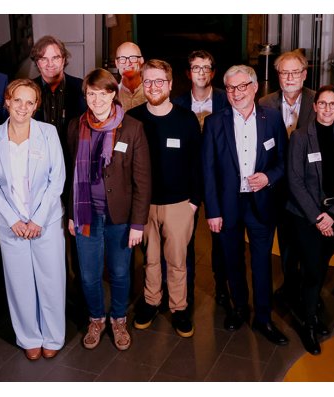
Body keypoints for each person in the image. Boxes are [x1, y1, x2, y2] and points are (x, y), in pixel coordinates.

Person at [202, 65, 289, 346]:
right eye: (230, 88)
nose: (236, 93)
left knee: (262, 263)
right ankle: (239, 308)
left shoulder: (273, 119)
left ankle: (263, 317)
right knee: (233, 260)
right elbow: (208, 170)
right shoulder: (215, 122)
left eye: (242, 87)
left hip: (261, 203)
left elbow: (283, 162)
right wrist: (212, 211)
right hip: (228, 205)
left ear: (254, 88)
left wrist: (268, 177)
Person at [66, 68, 151, 351]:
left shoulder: (132, 127)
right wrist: (70, 214)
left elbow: (142, 180)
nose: (97, 100)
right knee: (88, 275)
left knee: (119, 272)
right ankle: (96, 318)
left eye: (103, 93)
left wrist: (138, 224)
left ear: (113, 94)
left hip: (120, 217)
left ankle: (117, 319)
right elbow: (71, 176)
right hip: (85, 215)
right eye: (91, 94)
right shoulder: (76, 126)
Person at [0, 79, 67, 360]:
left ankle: (53, 335)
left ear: (36, 106)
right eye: (17, 100)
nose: (23, 107)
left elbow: (58, 180)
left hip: (46, 221)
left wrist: (38, 220)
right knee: (19, 281)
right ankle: (29, 335)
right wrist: (13, 220)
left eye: (30, 102)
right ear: (7, 101)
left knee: (52, 279)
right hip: (11, 224)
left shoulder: (48, 132)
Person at [128, 59, 201, 337]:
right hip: (144, 205)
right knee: (150, 259)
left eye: (160, 81)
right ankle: (151, 302)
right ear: (142, 85)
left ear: (170, 85)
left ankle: (179, 308)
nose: (153, 86)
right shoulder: (133, 118)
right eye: (148, 81)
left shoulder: (186, 119)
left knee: (177, 260)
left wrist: (194, 202)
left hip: (179, 204)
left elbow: (197, 163)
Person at [286, 85, 334, 355]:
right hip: (306, 216)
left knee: (320, 265)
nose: (327, 109)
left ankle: (310, 306)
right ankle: (309, 325)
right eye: (322, 103)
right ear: (314, 107)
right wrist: (318, 217)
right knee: (313, 270)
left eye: (332, 104)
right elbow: (295, 181)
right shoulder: (301, 137)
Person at [29, 35, 88, 326]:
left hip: (75, 176)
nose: (50, 64)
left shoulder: (81, 89)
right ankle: (54, 305)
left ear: (64, 59)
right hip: (41, 181)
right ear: (36, 62)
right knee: (49, 246)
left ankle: (81, 303)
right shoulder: (29, 92)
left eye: (55, 57)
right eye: (43, 59)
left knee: (77, 244)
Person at [258, 50, 316, 305]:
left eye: (295, 72)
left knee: (308, 241)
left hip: (311, 186)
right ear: (278, 76)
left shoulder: (318, 101)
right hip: (278, 186)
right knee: (285, 238)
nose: (290, 77)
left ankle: (309, 290)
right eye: (284, 72)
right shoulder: (264, 103)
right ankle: (289, 283)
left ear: (304, 74)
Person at [173, 50, 229, 306]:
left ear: (213, 72)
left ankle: (222, 289)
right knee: (186, 238)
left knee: (222, 238)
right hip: (189, 178)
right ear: (188, 73)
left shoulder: (225, 100)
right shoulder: (178, 103)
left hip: (219, 178)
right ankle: (187, 292)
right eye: (197, 68)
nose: (202, 73)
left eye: (207, 68)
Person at [115, 42, 146, 111]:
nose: (128, 63)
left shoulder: (152, 93)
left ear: (141, 60)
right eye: (122, 58)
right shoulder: (111, 95)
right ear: (116, 63)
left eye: (133, 58)